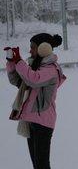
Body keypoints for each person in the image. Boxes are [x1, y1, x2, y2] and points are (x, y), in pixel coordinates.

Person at [5, 33, 66, 169]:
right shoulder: (34, 67)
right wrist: (11, 62)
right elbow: (18, 81)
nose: (30, 50)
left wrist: (19, 61)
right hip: (32, 120)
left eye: (33, 47)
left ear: (42, 48)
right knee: (37, 164)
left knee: (42, 164)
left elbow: (34, 79)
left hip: (43, 122)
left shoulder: (51, 69)